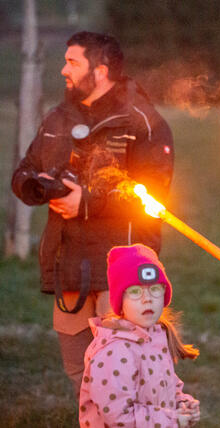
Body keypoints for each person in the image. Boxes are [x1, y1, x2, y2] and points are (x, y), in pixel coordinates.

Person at [11, 31, 174, 396]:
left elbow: (154, 193)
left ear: (100, 71)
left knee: (126, 375)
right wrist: (37, 186)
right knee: (79, 374)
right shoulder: (58, 117)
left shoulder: (142, 121)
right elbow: (23, 171)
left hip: (123, 268)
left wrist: (87, 201)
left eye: (72, 62)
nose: (62, 70)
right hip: (69, 263)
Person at [79, 244, 200, 427]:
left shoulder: (155, 337)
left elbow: (167, 385)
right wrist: (172, 420)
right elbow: (118, 416)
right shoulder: (115, 351)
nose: (147, 298)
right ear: (120, 302)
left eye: (155, 289)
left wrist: (181, 404)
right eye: (135, 292)